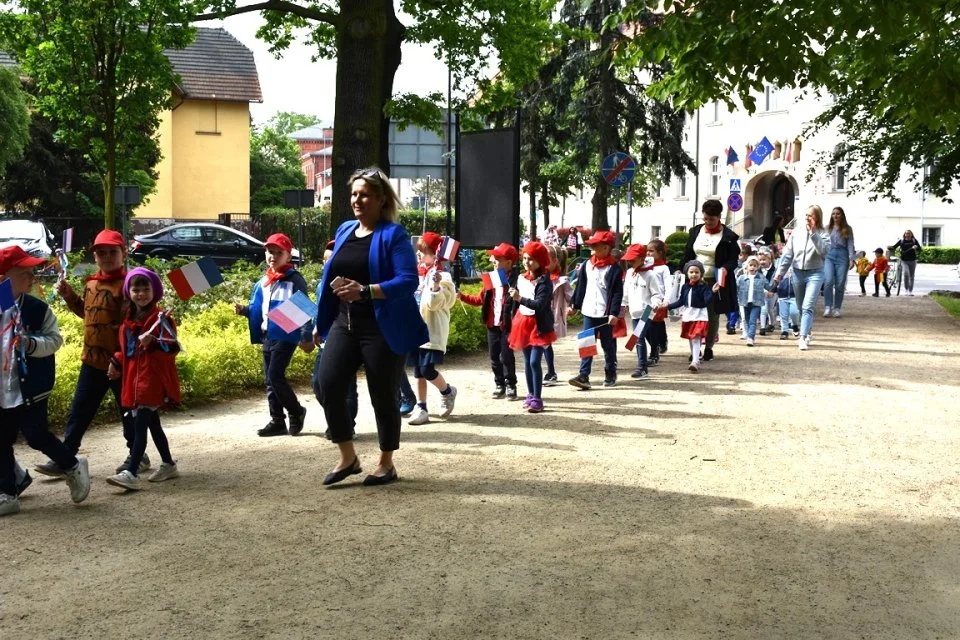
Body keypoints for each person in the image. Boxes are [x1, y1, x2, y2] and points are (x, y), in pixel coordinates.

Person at [314, 167, 429, 487]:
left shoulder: (394, 235)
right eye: (353, 194)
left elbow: (408, 280)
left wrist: (366, 290)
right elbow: (329, 276)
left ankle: (386, 462)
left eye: (364, 194)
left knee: (383, 395)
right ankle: (348, 457)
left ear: (381, 199)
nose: (357, 199)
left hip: (381, 327)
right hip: (344, 322)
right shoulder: (346, 228)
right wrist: (319, 320)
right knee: (328, 383)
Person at [35, 229, 138, 478]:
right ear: (95, 257)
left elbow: (132, 326)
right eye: (101, 253)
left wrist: (120, 357)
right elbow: (87, 314)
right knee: (79, 411)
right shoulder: (91, 282)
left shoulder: (130, 285)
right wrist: (70, 296)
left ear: (123, 254)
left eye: (112, 252)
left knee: (128, 412)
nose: (106, 257)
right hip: (91, 361)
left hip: (120, 362)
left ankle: (137, 455)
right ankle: (66, 457)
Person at [1, 246, 90, 515]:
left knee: (36, 435)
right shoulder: (3, 302)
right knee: (1, 440)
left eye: (32, 271)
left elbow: (55, 340)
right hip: (2, 388)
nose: (32, 277)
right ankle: (7, 492)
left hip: (30, 386)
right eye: (24, 272)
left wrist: (29, 345)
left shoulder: (37, 309)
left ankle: (72, 465)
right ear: (4, 277)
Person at [105, 268, 181, 491]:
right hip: (134, 380)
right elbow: (126, 350)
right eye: (135, 289)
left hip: (152, 379)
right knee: (153, 424)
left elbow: (172, 347)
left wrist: (154, 343)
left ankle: (131, 471)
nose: (141, 293)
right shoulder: (128, 321)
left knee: (140, 425)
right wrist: (116, 362)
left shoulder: (162, 319)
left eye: (145, 288)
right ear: (129, 292)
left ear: (154, 290)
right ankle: (168, 464)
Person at [235, 233, 313, 437]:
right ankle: (277, 420)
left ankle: (296, 412)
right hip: (267, 334)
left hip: (286, 334)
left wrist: (306, 337)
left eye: (279, 252)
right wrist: (244, 310)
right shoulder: (264, 281)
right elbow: (260, 309)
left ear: (289, 256)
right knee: (270, 380)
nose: (273, 256)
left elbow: (304, 309)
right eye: (270, 252)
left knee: (275, 376)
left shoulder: (294, 279)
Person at [405, 232, 458, 425]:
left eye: (423, 251)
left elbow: (438, 304)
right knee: (418, 371)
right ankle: (422, 406)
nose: (419, 255)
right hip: (415, 329)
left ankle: (447, 391)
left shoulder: (442, 276)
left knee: (427, 369)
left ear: (434, 253)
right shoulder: (416, 274)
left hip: (432, 330)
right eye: (418, 251)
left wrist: (435, 287)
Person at [458, 242, 519, 399]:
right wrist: (462, 296)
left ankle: (511, 384)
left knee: (506, 356)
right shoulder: (491, 279)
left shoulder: (517, 280)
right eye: (494, 257)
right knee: (494, 357)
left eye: (497, 258)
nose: (493, 260)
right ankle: (499, 384)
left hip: (507, 325)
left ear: (509, 263)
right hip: (492, 325)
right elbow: (480, 299)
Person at [682, 199, 740, 362]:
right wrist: (681, 269)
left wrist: (724, 270)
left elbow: (732, 260)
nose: (708, 222)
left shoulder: (728, 236)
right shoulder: (695, 232)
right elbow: (688, 254)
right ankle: (695, 349)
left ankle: (708, 347)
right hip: (694, 280)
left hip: (714, 281)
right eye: (705, 218)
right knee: (693, 314)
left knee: (712, 315)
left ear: (719, 217)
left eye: (712, 219)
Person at [312, 240, 358, 440]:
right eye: (325, 261)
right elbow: (320, 309)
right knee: (318, 383)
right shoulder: (322, 284)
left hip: (347, 340)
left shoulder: (353, 284)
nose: (327, 264)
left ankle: (346, 425)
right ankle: (339, 420)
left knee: (347, 387)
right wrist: (315, 327)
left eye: (332, 260)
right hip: (326, 340)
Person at [569, 230, 623, 389]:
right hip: (588, 310)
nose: (592, 250)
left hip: (605, 313)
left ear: (606, 248)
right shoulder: (587, 265)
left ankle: (610, 372)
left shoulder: (614, 268)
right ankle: (584, 375)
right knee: (586, 343)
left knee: (607, 345)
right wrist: (575, 305)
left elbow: (617, 293)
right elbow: (581, 287)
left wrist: (614, 313)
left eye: (596, 246)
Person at [773, 204, 831, 351]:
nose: (808, 218)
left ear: (817, 217)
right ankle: (808, 330)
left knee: (807, 306)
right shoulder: (796, 232)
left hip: (816, 273)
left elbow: (824, 252)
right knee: (800, 306)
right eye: (806, 215)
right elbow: (787, 255)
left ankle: (803, 337)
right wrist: (779, 273)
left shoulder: (823, 233)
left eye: (811, 215)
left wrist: (813, 234)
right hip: (798, 272)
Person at [508, 242, 556, 413]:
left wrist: (519, 298)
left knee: (535, 361)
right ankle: (530, 394)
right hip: (523, 322)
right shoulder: (521, 277)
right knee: (528, 362)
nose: (527, 262)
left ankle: (538, 398)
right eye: (525, 258)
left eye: (531, 259)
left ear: (540, 261)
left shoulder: (544, 281)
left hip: (539, 325)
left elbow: (540, 304)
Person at [621, 244, 663, 378]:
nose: (630, 262)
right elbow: (626, 292)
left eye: (633, 259)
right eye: (629, 259)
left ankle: (642, 367)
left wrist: (656, 303)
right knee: (637, 338)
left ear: (641, 258)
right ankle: (643, 364)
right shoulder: (629, 273)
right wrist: (623, 305)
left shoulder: (650, 274)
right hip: (634, 311)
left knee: (639, 337)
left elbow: (657, 294)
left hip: (646, 310)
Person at [664, 260, 714, 373]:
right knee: (691, 338)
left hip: (700, 315)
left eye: (697, 272)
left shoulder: (704, 287)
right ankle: (694, 356)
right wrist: (668, 307)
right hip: (688, 315)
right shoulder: (685, 287)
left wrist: (712, 292)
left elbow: (707, 300)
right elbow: (681, 301)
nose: (694, 274)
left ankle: (695, 361)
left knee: (696, 337)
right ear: (687, 273)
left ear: (701, 274)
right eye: (691, 272)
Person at [823, 206, 856, 317]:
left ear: (842, 215)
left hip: (843, 255)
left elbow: (850, 244)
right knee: (828, 281)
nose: (835, 216)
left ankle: (837, 308)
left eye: (838, 214)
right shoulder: (827, 228)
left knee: (840, 283)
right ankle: (828, 306)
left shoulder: (848, 228)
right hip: (829, 254)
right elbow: (822, 243)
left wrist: (852, 258)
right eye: (833, 214)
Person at [646, 239, 671, 360]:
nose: (648, 253)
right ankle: (658, 343)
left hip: (658, 302)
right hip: (646, 301)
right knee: (645, 326)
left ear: (660, 252)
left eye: (651, 251)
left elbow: (668, 286)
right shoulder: (645, 266)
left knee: (654, 325)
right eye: (647, 251)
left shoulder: (663, 268)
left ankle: (654, 352)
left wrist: (666, 300)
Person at [736, 256, 767, 347]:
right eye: (751, 265)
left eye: (754, 265)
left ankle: (750, 337)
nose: (752, 267)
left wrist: (774, 288)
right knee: (747, 319)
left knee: (753, 320)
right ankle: (749, 333)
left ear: (757, 267)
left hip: (756, 303)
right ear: (747, 266)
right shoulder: (741, 278)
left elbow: (768, 286)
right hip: (744, 302)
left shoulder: (761, 277)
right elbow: (736, 288)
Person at [889, 230, 922, 295]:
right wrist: (889, 248)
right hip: (904, 260)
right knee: (906, 273)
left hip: (913, 260)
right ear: (904, 234)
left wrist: (916, 247)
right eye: (906, 233)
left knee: (912, 276)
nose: (908, 235)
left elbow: (920, 249)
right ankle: (906, 290)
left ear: (911, 234)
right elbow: (894, 247)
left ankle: (910, 291)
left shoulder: (914, 241)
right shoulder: (901, 241)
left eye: (909, 233)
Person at [775, 267, 801, 340]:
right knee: (783, 315)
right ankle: (784, 331)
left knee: (794, 312)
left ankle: (795, 325)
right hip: (782, 296)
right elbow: (775, 280)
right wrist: (772, 290)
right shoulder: (781, 268)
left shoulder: (798, 268)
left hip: (795, 296)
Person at [757, 247, 778, 335]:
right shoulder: (757, 271)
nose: (762, 262)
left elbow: (776, 281)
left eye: (764, 259)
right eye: (760, 260)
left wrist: (772, 291)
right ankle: (762, 327)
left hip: (773, 292)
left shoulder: (774, 270)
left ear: (769, 259)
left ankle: (772, 323)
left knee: (770, 309)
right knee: (763, 308)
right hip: (762, 292)